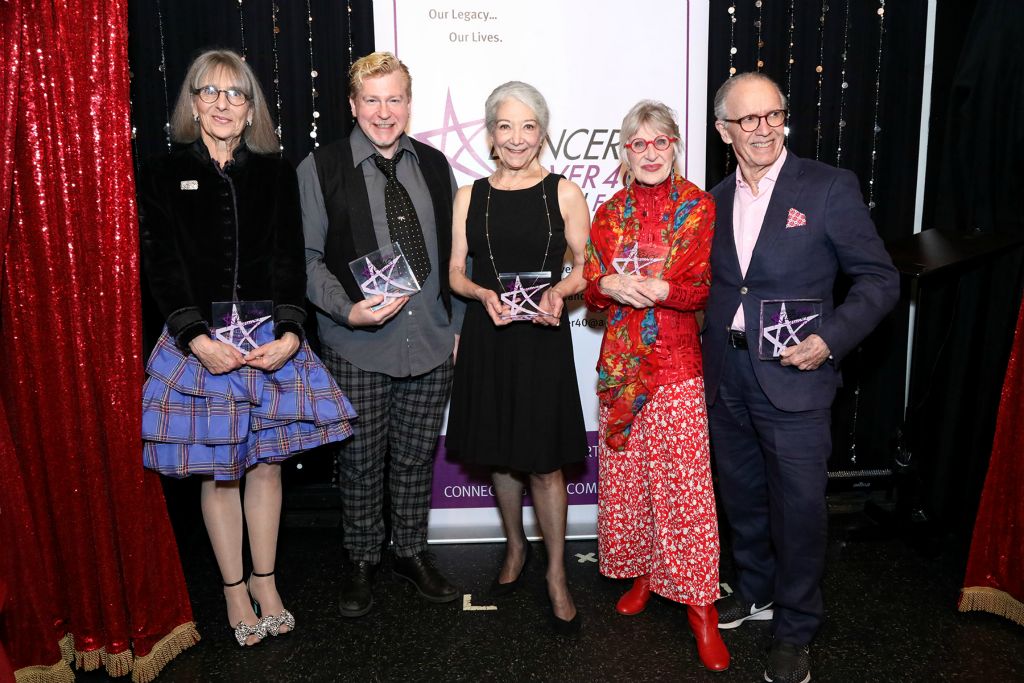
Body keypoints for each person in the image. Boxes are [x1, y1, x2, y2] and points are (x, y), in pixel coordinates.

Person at [139, 49, 356, 647]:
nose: (223, 104)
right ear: (192, 101)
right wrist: (196, 339)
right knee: (221, 468)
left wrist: (291, 331)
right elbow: (161, 264)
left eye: (236, 94)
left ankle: (266, 581)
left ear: (251, 105)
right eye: (210, 92)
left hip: (266, 340)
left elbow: (290, 258)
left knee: (265, 464)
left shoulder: (275, 172)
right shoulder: (162, 172)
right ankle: (233, 589)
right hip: (200, 344)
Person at [705, 72, 899, 683]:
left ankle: (796, 625)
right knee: (742, 499)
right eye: (748, 120)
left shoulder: (827, 187)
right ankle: (757, 591)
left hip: (798, 375)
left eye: (772, 115)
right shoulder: (709, 200)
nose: (763, 129)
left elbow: (879, 279)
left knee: (799, 509)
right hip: (727, 373)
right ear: (723, 131)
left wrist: (830, 340)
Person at [299, 52, 462, 617]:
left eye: (395, 99)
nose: (384, 111)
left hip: (433, 344)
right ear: (352, 104)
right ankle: (362, 560)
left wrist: (457, 328)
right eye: (372, 99)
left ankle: (411, 552)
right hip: (359, 345)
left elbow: (454, 261)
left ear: (408, 104)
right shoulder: (320, 168)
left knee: (416, 458)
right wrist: (349, 312)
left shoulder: (437, 166)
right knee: (362, 461)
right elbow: (309, 260)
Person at [583, 100, 729, 671]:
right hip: (620, 370)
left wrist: (657, 289)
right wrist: (610, 285)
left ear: (674, 146)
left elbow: (696, 289)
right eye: (638, 144)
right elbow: (592, 287)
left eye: (659, 142)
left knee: (687, 493)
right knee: (632, 481)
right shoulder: (610, 210)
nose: (649, 153)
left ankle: (700, 607)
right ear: (625, 151)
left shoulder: (698, 206)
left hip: (674, 368)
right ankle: (645, 570)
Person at [446, 82, 590, 634]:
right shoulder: (469, 195)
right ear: (490, 134)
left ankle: (556, 572)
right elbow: (458, 272)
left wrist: (560, 292)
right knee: (501, 457)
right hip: (491, 334)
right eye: (505, 126)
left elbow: (585, 266)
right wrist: (482, 295)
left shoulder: (564, 192)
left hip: (541, 337)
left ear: (542, 133)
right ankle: (515, 549)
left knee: (544, 463)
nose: (517, 138)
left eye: (528, 126)